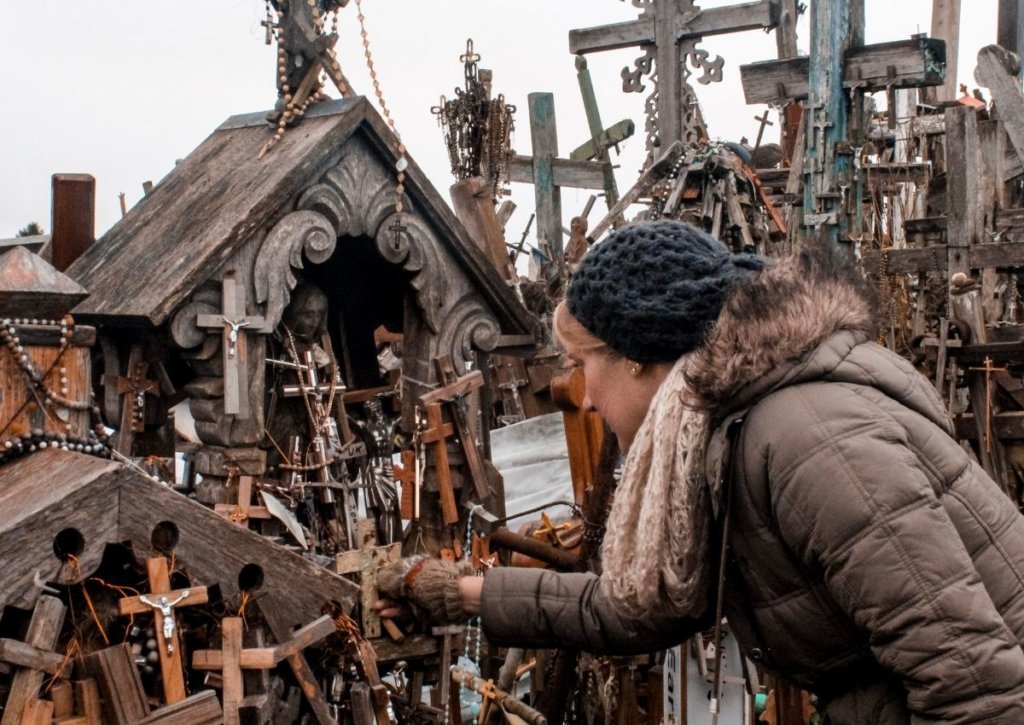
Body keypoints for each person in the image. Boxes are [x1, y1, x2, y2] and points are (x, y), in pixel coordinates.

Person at [378, 220, 1024, 723]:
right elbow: (639, 607)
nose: (583, 393)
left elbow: (975, 685)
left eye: (582, 363)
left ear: (636, 355)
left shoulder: (806, 437)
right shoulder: (725, 431)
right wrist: (457, 592)